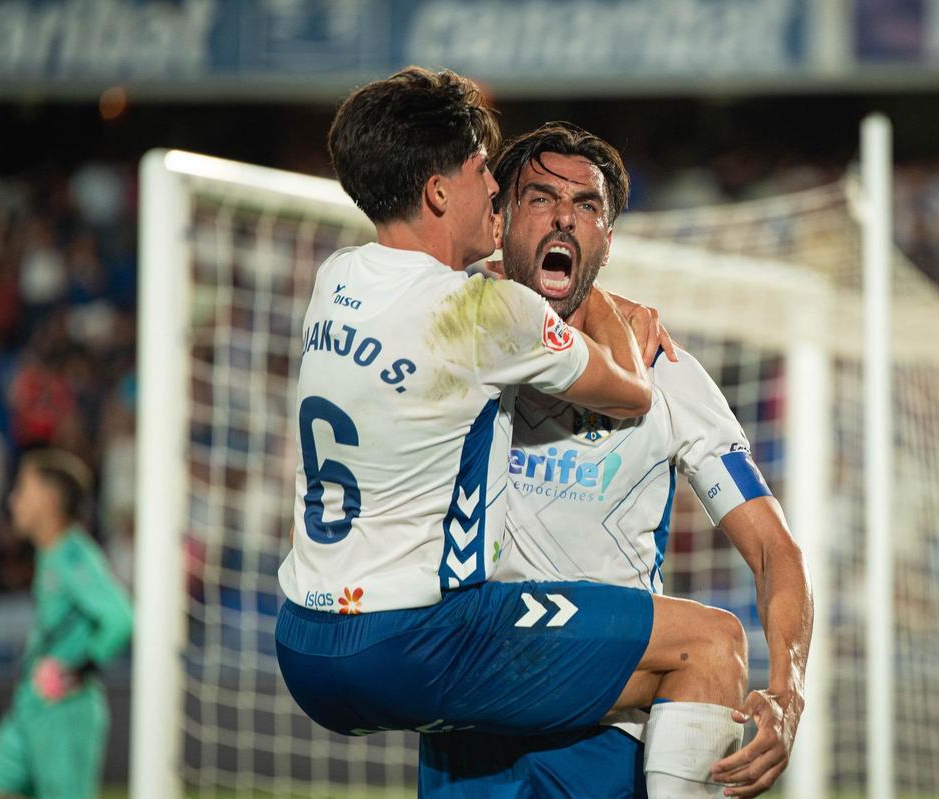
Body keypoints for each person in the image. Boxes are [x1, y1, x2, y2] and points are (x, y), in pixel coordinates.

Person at [274, 68, 773, 794]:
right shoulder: (492, 315)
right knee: (711, 642)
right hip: (418, 639)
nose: (497, 198)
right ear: (441, 191)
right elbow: (630, 390)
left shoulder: (337, 278)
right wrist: (613, 309)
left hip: (305, 645)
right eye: (487, 174)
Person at [418, 122, 812, 798]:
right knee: (711, 642)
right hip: (475, 715)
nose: (565, 216)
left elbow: (775, 547)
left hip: (606, 724)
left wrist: (788, 688)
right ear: (500, 218)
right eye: (540, 198)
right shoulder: (451, 342)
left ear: (607, 239)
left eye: (588, 206)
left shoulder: (668, 375)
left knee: (716, 645)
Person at [0, 449, 133, 799]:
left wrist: (79, 668)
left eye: (23, 489)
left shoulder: (76, 554)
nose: (13, 500)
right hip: (29, 707)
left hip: (64, 710)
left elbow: (120, 617)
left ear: (48, 499)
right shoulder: (49, 554)